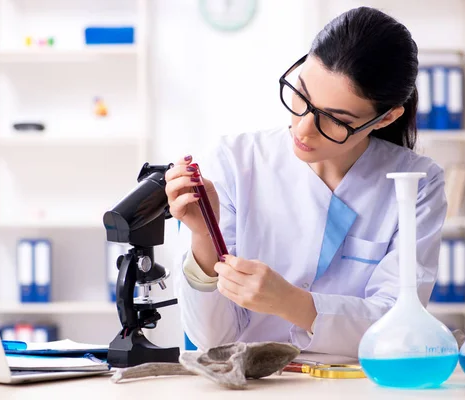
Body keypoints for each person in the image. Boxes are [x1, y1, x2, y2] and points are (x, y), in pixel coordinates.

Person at [165, 6, 446, 359]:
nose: (303, 128)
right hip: (252, 387)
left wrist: (293, 303)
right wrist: (204, 235)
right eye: (301, 96)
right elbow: (213, 340)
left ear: (385, 117)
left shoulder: (417, 183)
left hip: (356, 384)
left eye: (334, 119)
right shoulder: (237, 161)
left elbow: (399, 327)